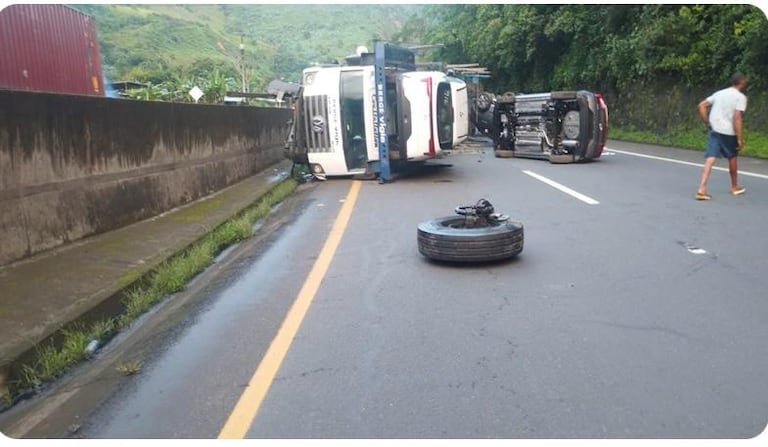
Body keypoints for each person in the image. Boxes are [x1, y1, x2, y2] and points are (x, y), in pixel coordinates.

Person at [695, 73, 748, 200]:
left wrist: (707, 122)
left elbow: (701, 105)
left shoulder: (719, 93)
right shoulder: (740, 97)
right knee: (732, 157)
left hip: (715, 129)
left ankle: (701, 189)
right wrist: (740, 138)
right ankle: (734, 187)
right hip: (729, 132)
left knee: (710, 158)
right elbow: (737, 117)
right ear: (741, 82)